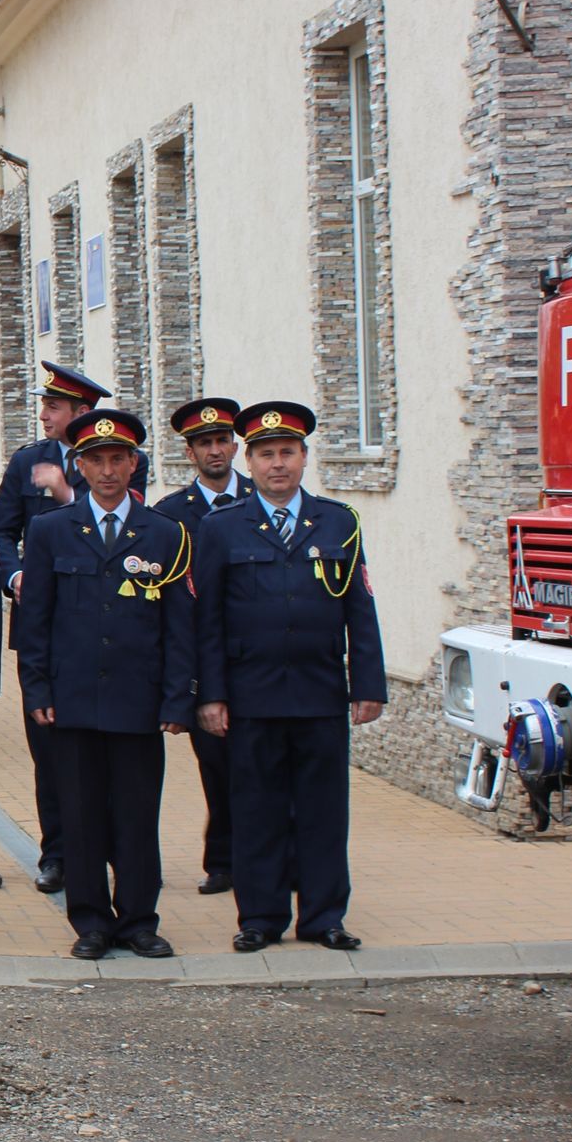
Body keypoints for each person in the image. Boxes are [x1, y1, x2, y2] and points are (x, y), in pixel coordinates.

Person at [194, 401, 385, 953]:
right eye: (266, 454)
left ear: (304, 457)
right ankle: (260, 916)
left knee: (324, 812)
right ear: (247, 461)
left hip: (320, 693)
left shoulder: (338, 521)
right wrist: (212, 695)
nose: (278, 464)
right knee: (257, 810)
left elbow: (359, 607)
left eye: (288, 452)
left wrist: (367, 684)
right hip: (251, 697)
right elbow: (206, 619)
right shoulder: (221, 528)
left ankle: (324, 917)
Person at [16, 410, 192, 960]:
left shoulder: (166, 534)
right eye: (97, 460)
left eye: (119, 459)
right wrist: (38, 691)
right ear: (80, 465)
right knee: (82, 814)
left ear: (134, 464)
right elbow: (35, 621)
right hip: (71, 700)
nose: (109, 470)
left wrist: (176, 697)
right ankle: (90, 921)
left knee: (138, 816)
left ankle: (139, 919)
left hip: (138, 701)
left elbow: (180, 626)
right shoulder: (49, 531)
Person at [0, 360, 148, 893]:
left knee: (112, 760)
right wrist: (13, 574)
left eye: (54, 406)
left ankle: (112, 855)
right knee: (51, 750)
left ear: (82, 412)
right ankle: (57, 852)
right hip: (44, 628)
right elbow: (1, 531)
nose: (44, 414)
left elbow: (123, 523)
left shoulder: (126, 461)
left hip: (108, 633)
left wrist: (64, 494)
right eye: (44, 405)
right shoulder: (26, 460)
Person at [151, 396, 254, 894]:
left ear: (235, 445)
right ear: (189, 453)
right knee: (215, 764)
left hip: (255, 656)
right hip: (201, 659)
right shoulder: (171, 515)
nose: (215, 450)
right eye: (203, 443)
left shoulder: (263, 498)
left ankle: (277, 855)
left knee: (262, 763)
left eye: (221, 440)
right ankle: (224, 860)